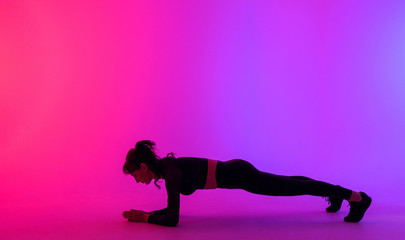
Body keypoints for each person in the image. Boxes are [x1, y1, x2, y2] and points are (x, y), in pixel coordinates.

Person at [122, 140, 372, 227]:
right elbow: (169, 211)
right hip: (238, 171)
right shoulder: (168, 172)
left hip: (242, 175)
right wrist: (146, 214)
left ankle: (357, 198)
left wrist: (144, 219)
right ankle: (335, 195)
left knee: (293, 186)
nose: (137, 180)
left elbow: (173, 219)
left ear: (144, 167)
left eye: (135, 175)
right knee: (294, 183)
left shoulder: (171, 173)